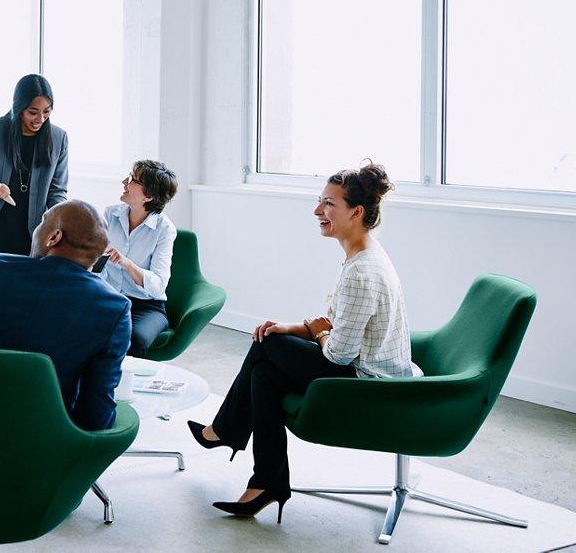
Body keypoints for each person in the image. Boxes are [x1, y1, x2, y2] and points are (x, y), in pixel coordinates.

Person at [187, 162, 411, 524]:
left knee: (266, 346)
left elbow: (338, 352)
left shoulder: (362, 272)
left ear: (355, 212)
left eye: (328, 204)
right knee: (264, 372)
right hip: (361, 369)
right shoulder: (364, 256)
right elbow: (339, 326)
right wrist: (297, 328)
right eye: (319, 202)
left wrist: (319, 332)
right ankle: (267, 482)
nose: (317, 211)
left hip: (368, 384)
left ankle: (225, 431)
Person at [0, 200, 131, 431]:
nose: (35, 230)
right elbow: (95, 413)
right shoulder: (113, 307)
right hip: (45, 441)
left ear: (54, 237)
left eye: (42, 222)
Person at [0, 74, 68, 261]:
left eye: (47, 112)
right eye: (33, 112)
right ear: (19, 107)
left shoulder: (59, 138)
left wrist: (62, 223)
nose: (40, 119)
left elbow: (57, 192)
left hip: (33, 235)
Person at [99, 160, 179, 357]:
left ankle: (125, 386)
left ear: (149, 196)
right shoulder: (110, 215)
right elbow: (95, 261)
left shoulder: (164, 229)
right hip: (109, 299)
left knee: (135, 338)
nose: (125, 182)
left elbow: (159, 285)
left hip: (146, 307)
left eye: (133, 180)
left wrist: (126, 263)